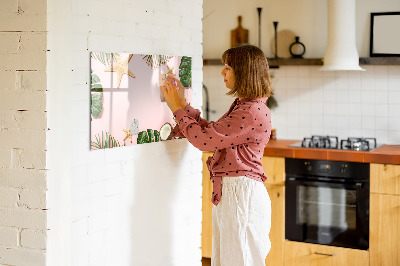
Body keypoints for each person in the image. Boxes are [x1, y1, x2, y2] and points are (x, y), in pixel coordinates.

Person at [161, 44, 273, 266]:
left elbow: (204, 141)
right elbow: (212, 134)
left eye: (228, 67)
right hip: (236, 193)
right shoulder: (246, 106)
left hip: (241, 195)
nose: (222, 72)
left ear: (244, 72)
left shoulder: (250, 111)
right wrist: (183, 105)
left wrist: (177, 109)